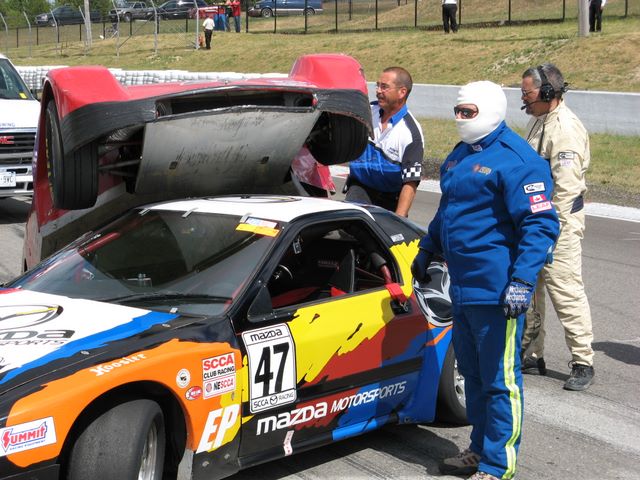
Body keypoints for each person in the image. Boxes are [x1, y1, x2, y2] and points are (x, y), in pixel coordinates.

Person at [411, 81, 559, 480]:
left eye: (468, 112)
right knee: (473, 377)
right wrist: (428, 248)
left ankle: (498, 464)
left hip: (498, 293)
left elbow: (541, 226)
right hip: (460, 288)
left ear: (491, 110)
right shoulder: (460, 154)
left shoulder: (519, 160)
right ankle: (479, 450)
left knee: (499, 380)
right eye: (457, 111)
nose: (460, 119)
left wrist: (522, 281)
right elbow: (448, 210)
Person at [520, 63, 595, 391]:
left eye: (528, 93)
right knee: (532, 289)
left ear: (548, 92)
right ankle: (532, 354)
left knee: (565, 290)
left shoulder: (565, 129)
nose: (524, 98)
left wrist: (553, 233)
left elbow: (566, 190)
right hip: (536, 222)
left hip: (558, 224)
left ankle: (583, 361)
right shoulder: (539, 120)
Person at [345, 66, 424, 217]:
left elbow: (411, 182)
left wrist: (399, 219)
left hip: (390, 197)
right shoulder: (366, 112)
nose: (378, 91)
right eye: (377, 85)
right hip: (359, 187)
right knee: (350, 224)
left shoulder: (411, 133)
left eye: (384, 87)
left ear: (402, 92)